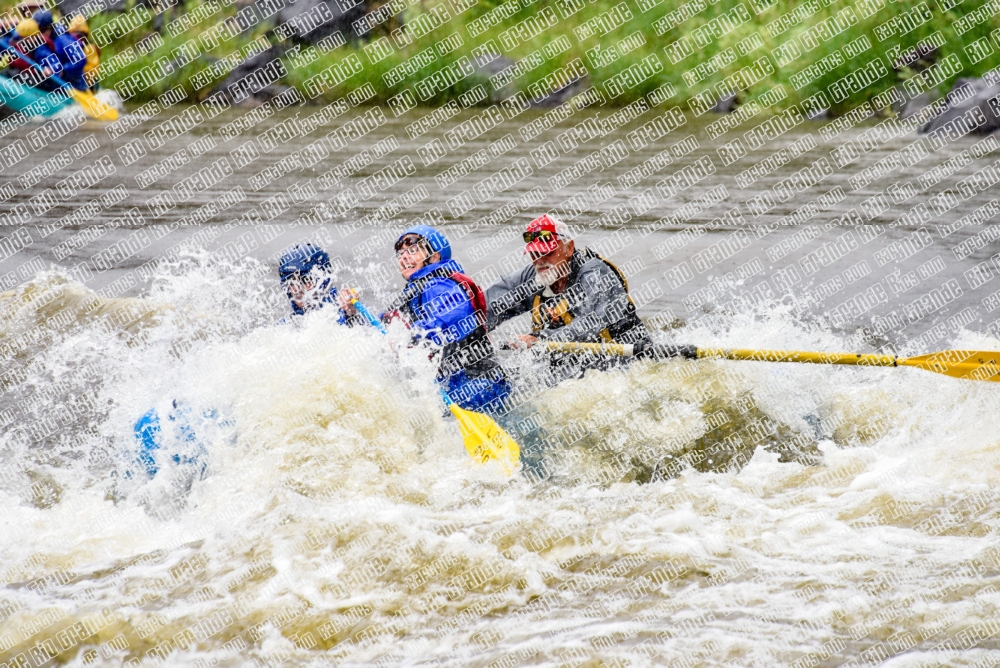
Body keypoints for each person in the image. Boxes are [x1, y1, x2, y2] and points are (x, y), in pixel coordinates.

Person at [343, 225, 510, 414]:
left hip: (479, 386)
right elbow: (376, 336)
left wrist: (411, 339)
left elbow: (453, 315)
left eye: (413, 250)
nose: (404, 256)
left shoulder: (440, 284)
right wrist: (351, 315)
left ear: (435, 257)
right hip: (455, 385)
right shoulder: (416, 292)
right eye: (401, 253)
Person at [486, 214, 650, 377]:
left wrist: (538, 338)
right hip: (572, 366)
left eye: (548, 252)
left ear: (569, 247)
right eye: (535, 254)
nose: (540, 261)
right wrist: (472, 328)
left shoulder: (595, 274)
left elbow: (591, 324)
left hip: (623, 365)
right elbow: (489, 304)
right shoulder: (532, 277)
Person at [278, 242, 362, 325]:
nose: (297, 288)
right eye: (291, 281)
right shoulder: (285, 326)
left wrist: (350, 315)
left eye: (305, 279)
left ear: (323, 281)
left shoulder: (342, 314)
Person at [35, 10, 86, 91]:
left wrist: (63, 69)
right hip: (60, 85)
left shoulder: (63, 39)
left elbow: (80, 58)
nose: (40, 35)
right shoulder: (45, 41)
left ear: (50, 28)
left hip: (75, 85)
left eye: (42, 30)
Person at [8, 18, 62, 91]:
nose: (26, 40)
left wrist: (51, 69)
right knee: (6, 74)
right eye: (24, 38)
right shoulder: (18, 42)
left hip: (40, 80)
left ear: (36, 35)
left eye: (29, 37)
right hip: (22, 74)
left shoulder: (41, 48)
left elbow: (56, 64)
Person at [65, 15, 98, 90]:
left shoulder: (89, 48)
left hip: (86, 85)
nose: (77, 40)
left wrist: (78, 72)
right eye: (74, 36)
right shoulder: (68, 46)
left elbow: (92, 69)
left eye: (80, 36)